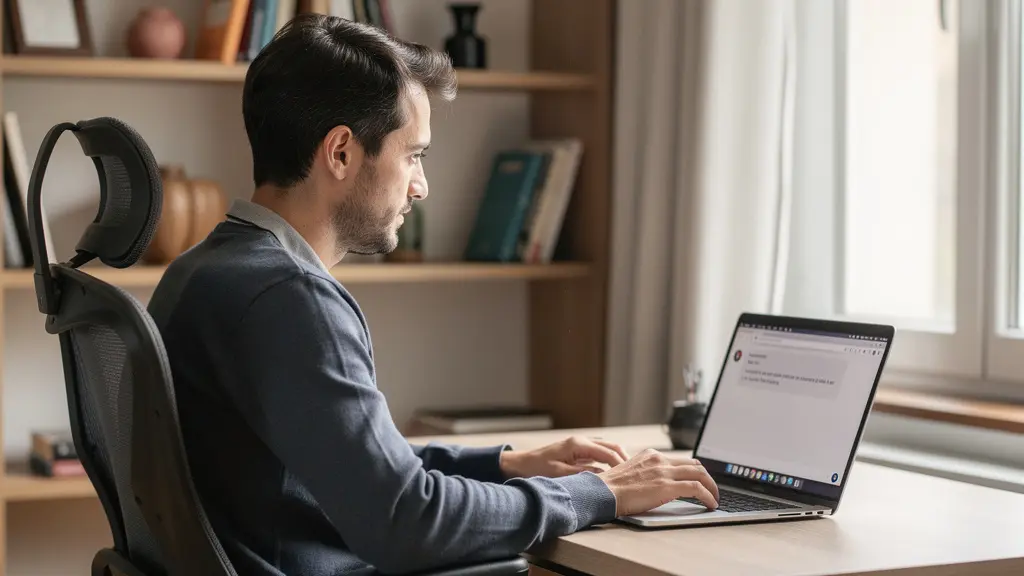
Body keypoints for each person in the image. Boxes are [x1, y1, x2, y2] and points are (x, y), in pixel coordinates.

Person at [147, 13, 719, 576]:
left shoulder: (204, 271)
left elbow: (358, 467)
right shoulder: (293, 299)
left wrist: (509, 466)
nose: (421, 185)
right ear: (341, 152)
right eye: (413, 154)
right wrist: (595, 494)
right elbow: (405, 520)